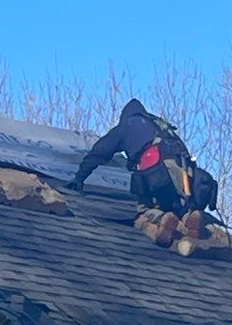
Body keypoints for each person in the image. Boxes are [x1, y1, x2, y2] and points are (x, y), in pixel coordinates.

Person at [72, 100, 219, 236]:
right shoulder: (160, 125)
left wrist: (79, 178)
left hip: (156, 167)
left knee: (145, 210)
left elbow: (99, 152)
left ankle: (162, 219)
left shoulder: (127, 126)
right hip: (184, 169)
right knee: (181, 206)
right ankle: (189, 219)